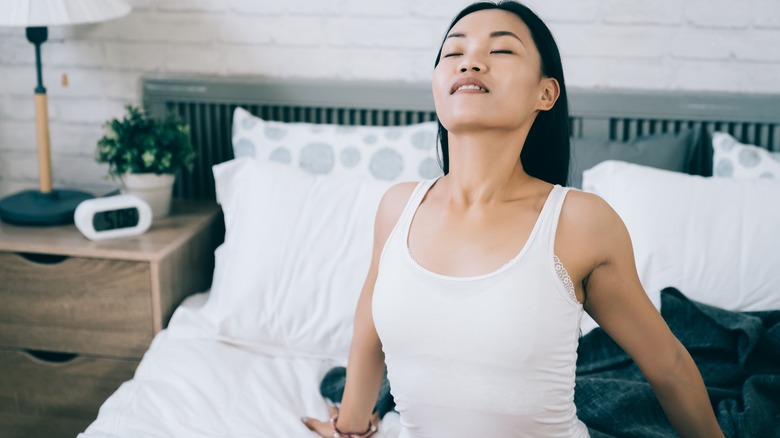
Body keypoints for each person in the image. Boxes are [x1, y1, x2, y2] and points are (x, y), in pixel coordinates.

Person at [303, 1, 725, 437]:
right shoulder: (397, 207)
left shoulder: (579, 222)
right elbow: (368, 331)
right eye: (453, 53)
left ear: (545, 94)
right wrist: (350, 426)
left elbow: (668, 366)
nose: (470, 61)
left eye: (501, 51)